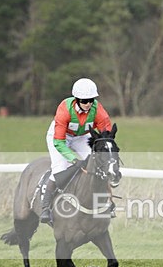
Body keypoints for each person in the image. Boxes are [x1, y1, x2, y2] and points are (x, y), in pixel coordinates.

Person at [40, 77, 114, 225]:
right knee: (60, 168)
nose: (88, 104)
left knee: (97, 163)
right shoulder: (64, 110)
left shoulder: (97, 109)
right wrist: (74, 159)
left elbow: (106, 132)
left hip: (81, 136)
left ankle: (108, 202)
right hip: (60, 138)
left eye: (91, 100)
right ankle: (45, 207)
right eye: (84, 101)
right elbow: (59, 142)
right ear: (76, 99)